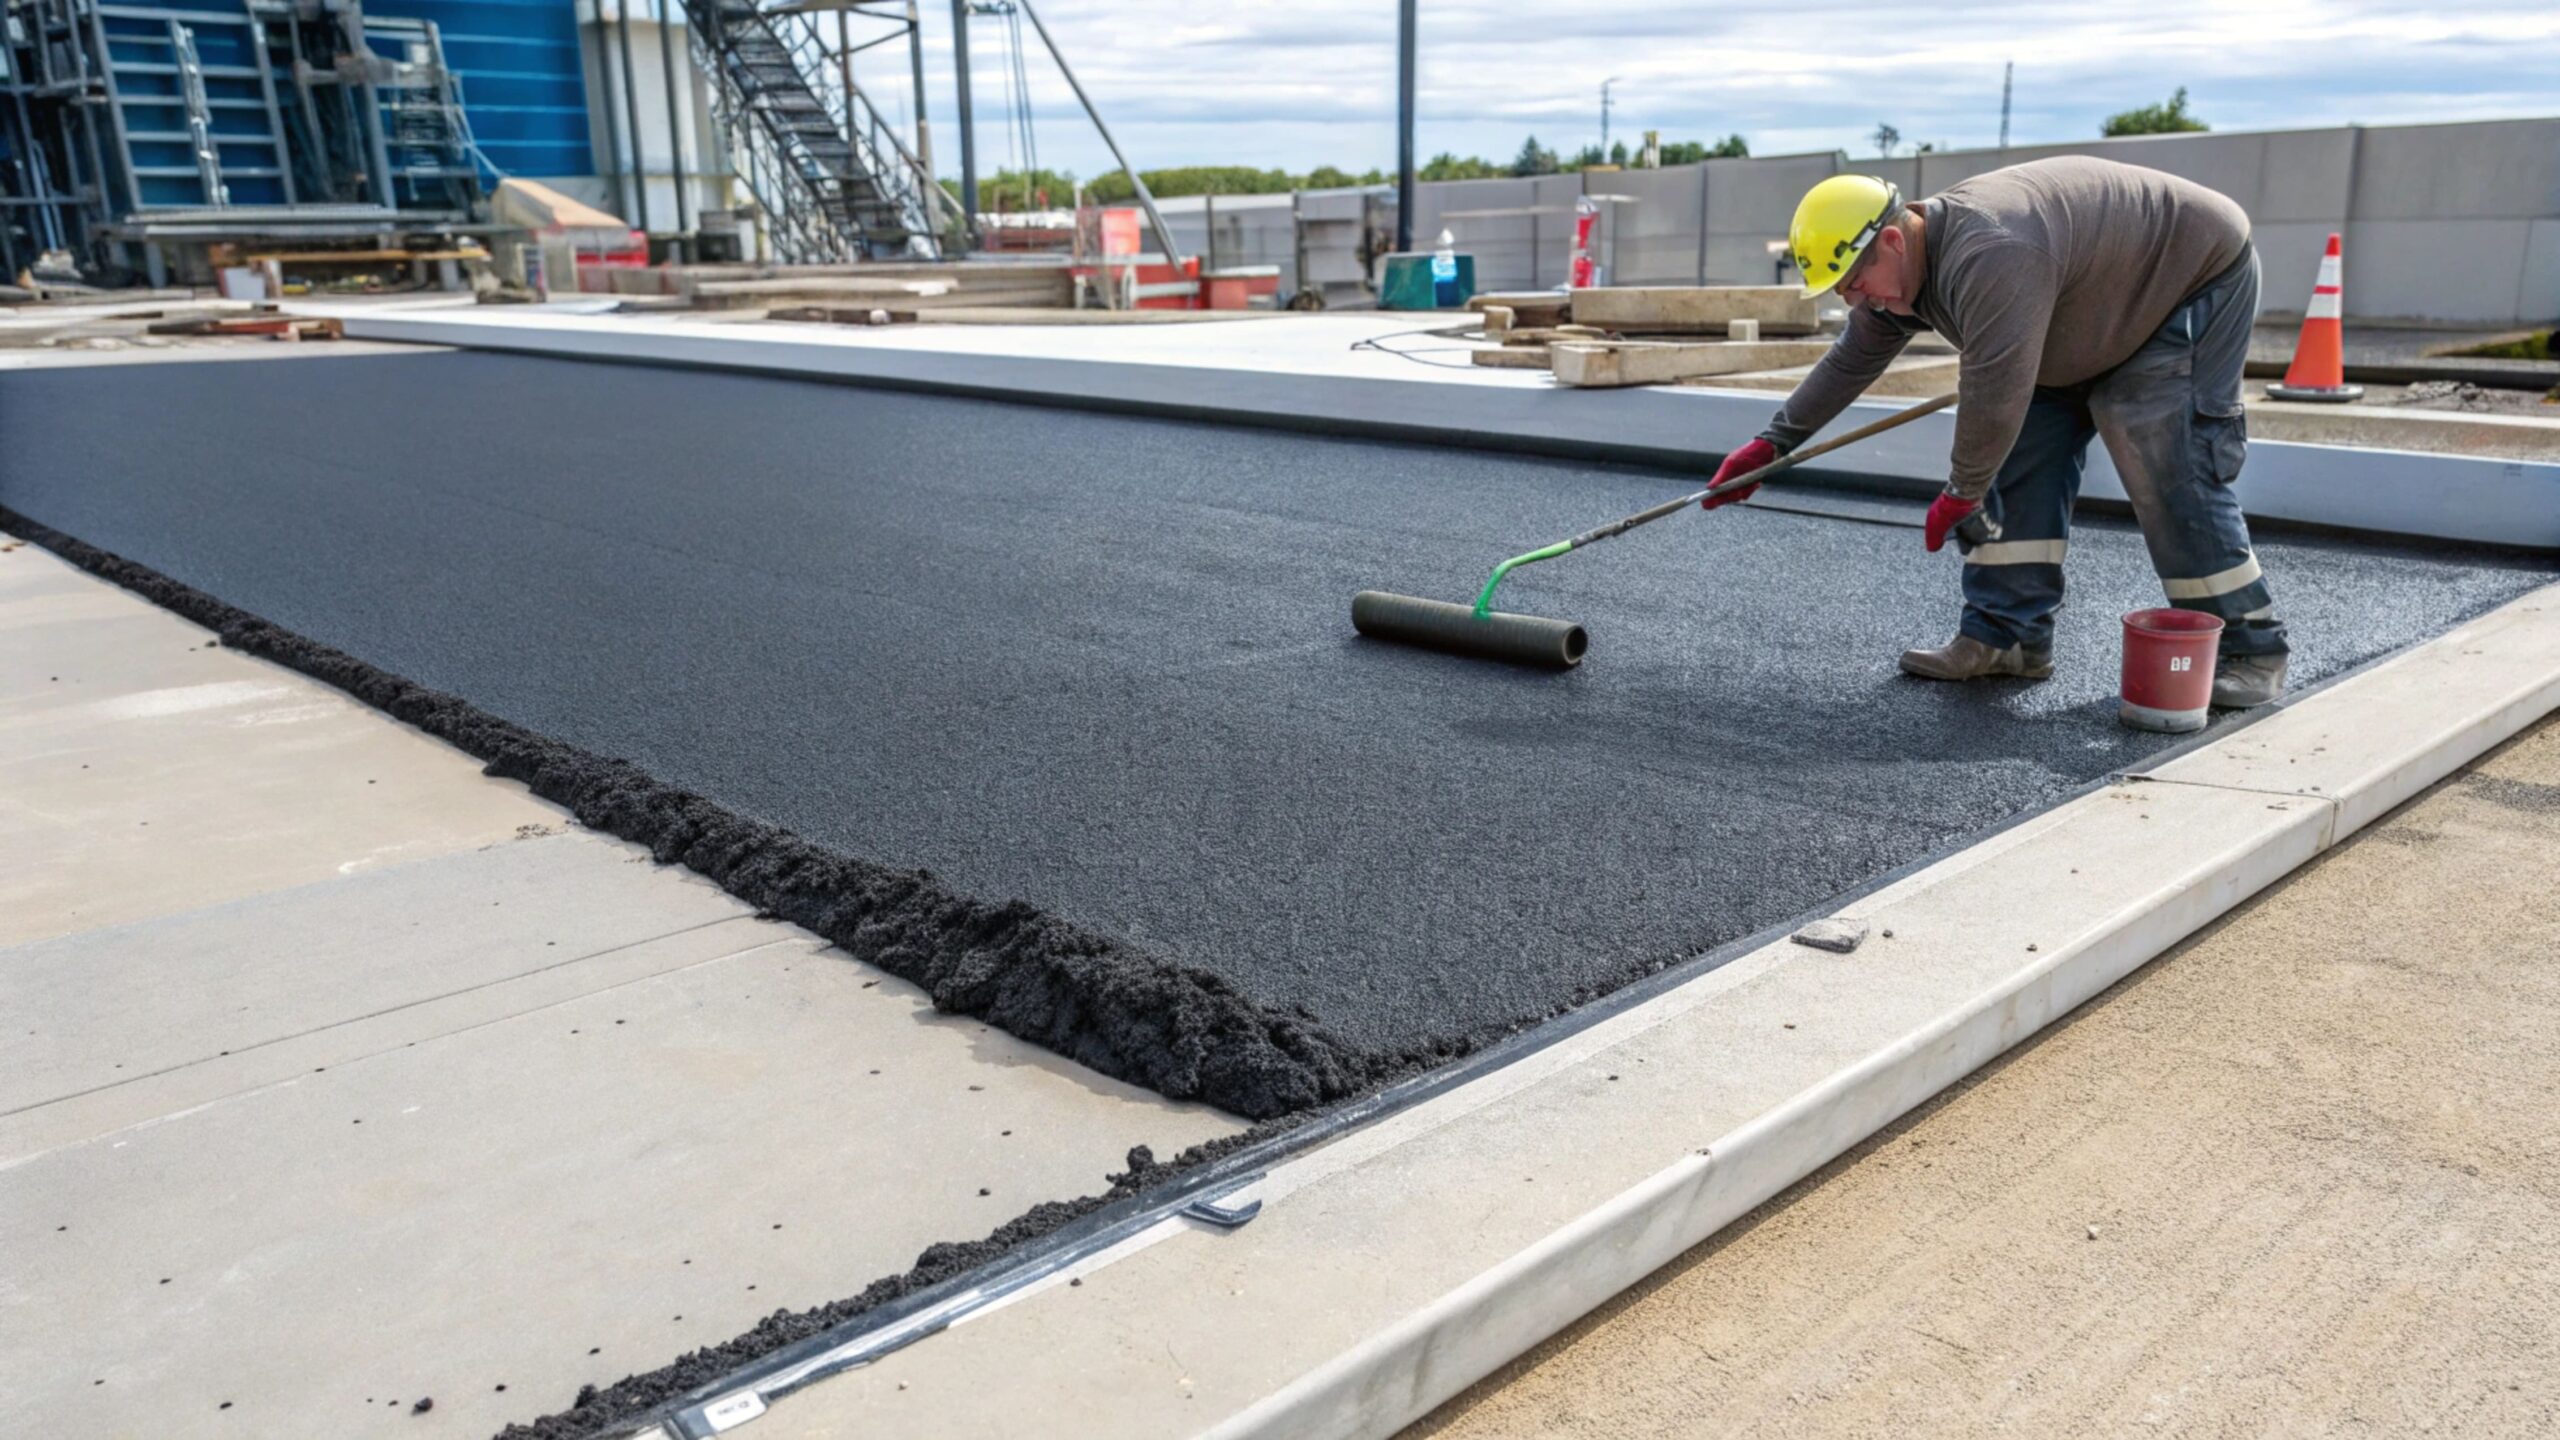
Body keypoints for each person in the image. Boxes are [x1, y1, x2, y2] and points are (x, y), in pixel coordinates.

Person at [1708, 157, 2287, 706]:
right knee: (2026, 444)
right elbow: (1850, 360)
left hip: (2188, 276)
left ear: (1890, 239)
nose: (1855, 299)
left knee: (2154, 438)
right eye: (1842, 291)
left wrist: (1962, 491)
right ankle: (2008, 637)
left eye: (1854, 281)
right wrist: (1773, 444)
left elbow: (1993, 384)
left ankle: (2249, 650)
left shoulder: (1992, 251)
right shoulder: (1903, 272)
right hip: (2088, 301)